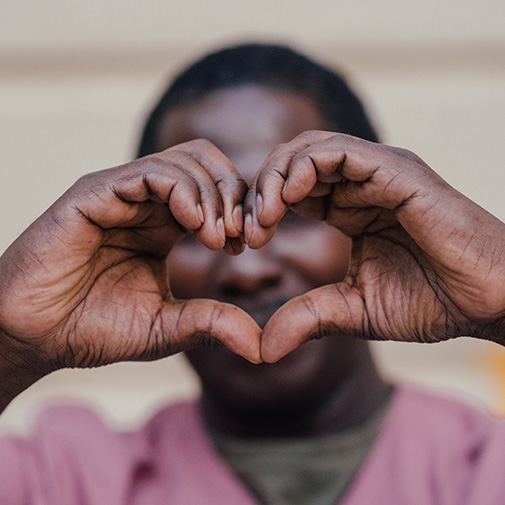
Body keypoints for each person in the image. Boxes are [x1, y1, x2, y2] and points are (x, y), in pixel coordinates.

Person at [1, 43, 505, 504]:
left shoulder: (486, 467)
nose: (248, 269)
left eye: (294, 215)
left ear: (383, 219)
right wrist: (8, 341)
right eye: (192, 223)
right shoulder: (61, 480)